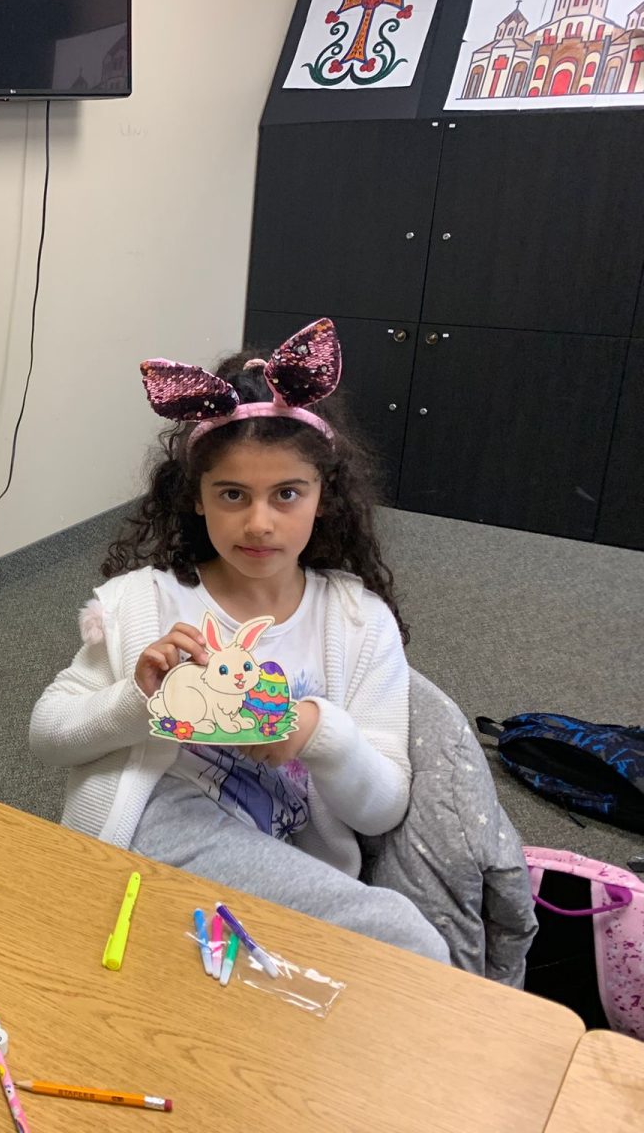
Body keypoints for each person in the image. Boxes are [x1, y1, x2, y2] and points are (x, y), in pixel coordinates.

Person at [28, 319, 448, 962]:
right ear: (197, 498)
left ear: (323, 498)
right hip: (150, 832)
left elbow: (384, 809)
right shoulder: (143, 603)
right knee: (403, 939)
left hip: (287, 855)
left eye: (287, 494)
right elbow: (48, 735)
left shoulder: (357, 622)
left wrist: (316, 733)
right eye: (232, 494)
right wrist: (142, 700)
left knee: (388, 946)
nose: (259, 523)